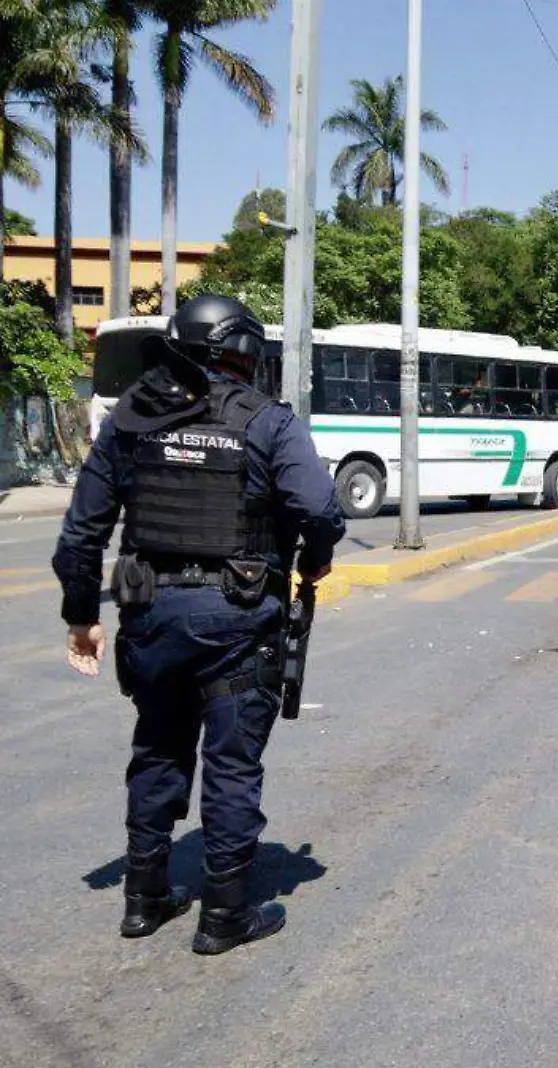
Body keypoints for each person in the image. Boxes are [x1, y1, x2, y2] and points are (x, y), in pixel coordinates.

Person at [51, 294, 346, 955]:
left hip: (150, 616)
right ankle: (225, 917)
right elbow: (321, 511)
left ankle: (144, 899)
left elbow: (83, 532)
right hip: (236, 620)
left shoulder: (131, 419)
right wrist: (315, 561)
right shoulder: (268, 421)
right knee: (232, 765)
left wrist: (79, 617)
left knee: (157, 746)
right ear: (244, 351)